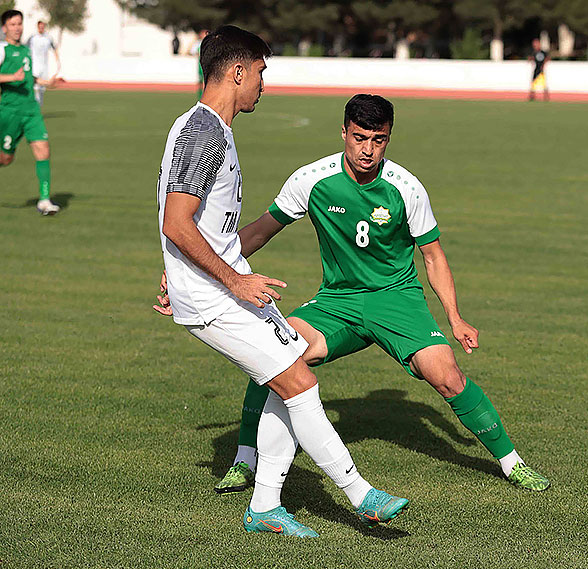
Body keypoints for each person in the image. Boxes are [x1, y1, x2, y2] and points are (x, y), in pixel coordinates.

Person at [156, 93, 551, 495]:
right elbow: (258, 232)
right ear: (343, 132)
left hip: (396, 299)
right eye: (360, 137)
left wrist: (455, 316)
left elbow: (432, 256)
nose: (368, 150)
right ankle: (245, 459)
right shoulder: (311, 179)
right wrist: (194, 270)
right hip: (337, 301)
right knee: (275, 354)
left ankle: (512, 462)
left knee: (447, 376)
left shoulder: (406, 188)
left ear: (389, 138)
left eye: (378, 140)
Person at [156, 26, 408, 538]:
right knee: (298, 382)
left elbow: (196, 226)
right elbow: (175, 222)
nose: (263, 84)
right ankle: (360, 493)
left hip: (221, 285)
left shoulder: (211, 129)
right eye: (260, 72)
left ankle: (266, 505)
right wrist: (229, 279)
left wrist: (184, 268)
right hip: (215, 296)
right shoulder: (202, 132)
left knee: (289, 375)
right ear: (237, 72)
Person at [0, 10, 60, 215]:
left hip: (31, 110)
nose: (17, 28)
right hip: (10, 112)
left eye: (19, 24)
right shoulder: (2, 49)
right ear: (4, 28)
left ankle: (44, 201)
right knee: (5, 159)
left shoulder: (26, 50)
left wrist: (46, 82)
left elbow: (28, 77)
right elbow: (14, 76)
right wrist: (11, 77)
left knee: (43, 150)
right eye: (12, 24)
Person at [26, 20, 60, 107]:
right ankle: (33, 105)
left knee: (42, 88)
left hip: (44, 66)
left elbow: (54, 49)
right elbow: (25, 49)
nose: (41, 28)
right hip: (34, 65)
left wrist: (57, 61)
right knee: (35, 85)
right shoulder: (32, 37)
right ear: (37, 27)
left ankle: (39, 105)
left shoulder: (48, 38)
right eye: (40, 26)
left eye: (42, 26)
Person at [191, 29, 209, 100]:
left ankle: (205, 96)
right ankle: (200, 96)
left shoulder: (209, 43)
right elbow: (192, 51)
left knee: (206, 81)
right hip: (200, 65)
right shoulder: (198, 43)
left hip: (207, 64)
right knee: (200, 81)